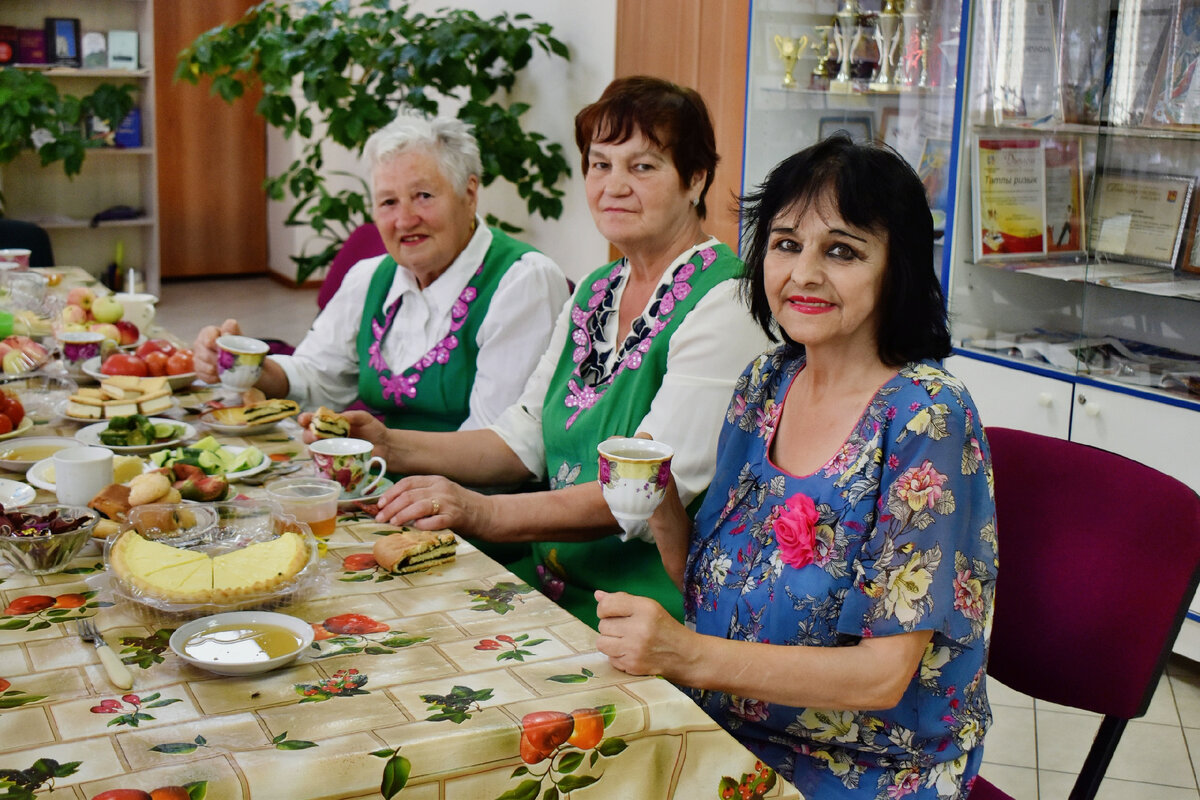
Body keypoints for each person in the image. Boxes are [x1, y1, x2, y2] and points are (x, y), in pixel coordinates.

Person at [593, 135, 996, 798]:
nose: (804, 272)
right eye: (786, 244)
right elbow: (713, 587)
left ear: (897, 268)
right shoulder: (765, 384)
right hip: (727, 726)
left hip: (869, 767)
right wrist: (658, 502)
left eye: (841, 250)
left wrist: (685, 655)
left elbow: (881, 676)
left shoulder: (927, 414)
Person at [311, 76, 770, 628]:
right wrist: (388, 443)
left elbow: (637, 492)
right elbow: (522, 439)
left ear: (695, 179)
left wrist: (479, 510)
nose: (614, 186)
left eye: (642, 166)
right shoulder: (596, 290)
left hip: (646, 609)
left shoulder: (726, 302)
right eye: (600, 165)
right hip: (549, 582)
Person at [193, 111, 569, 432]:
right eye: (388, 202)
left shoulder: (522, 281)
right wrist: (248, 365)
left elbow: (499, 441)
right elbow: (317, 375)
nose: (405, 219)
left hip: (474, 504)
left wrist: (384, 448)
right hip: (386, 483)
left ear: (469, 194)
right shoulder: (371, 277)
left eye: (423, 196)